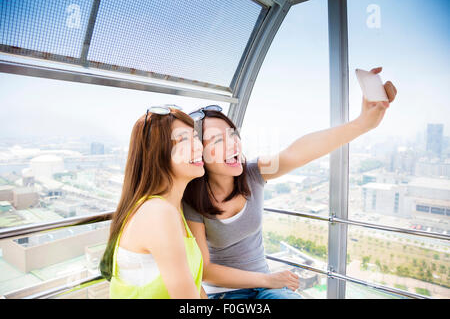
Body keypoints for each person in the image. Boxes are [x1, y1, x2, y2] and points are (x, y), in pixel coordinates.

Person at [183, 67, 397, 299]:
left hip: (267, 290)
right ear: (198, 153)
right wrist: (268, 279)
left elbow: (297, 153)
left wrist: (362, 123)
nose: (232, 144)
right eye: (217, 141)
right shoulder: (192, 199)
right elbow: (205, 270)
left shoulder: (253, 173)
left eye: (232, 135)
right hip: (227, 294)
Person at [100, 105, 207, 299]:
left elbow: (195, 288)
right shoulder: (157, 212)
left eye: (196, 137)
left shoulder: (172, 208)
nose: (199, 147)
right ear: (157, 152)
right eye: (183, 139)